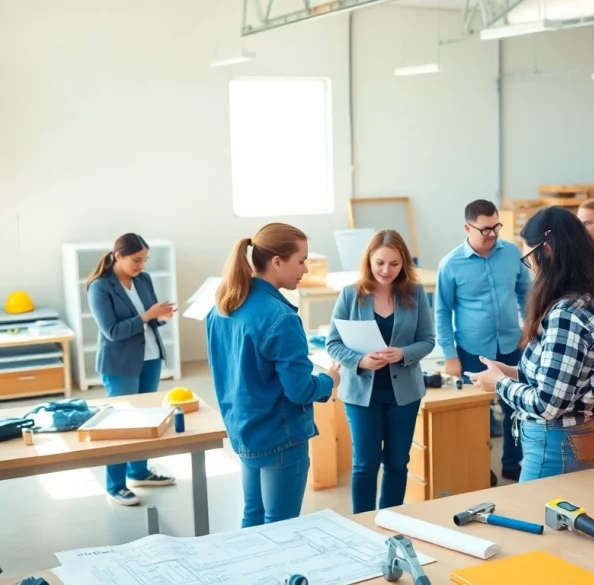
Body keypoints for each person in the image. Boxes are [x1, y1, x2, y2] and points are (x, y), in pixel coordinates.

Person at [471, 206, 594, 482]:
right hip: (582, 434)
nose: (532, 269)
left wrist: (499, 383)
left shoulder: (567, 314)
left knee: (535, 509)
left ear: (548, 251)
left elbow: (547, 404)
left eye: (530, 259)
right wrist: (510, 372)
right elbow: (566, 379)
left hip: (557, 443)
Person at [206, 223, 340, 527]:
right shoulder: (281, 317)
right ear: (277, 261)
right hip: (280, 436)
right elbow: (299, 390)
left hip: (244, 431)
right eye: (301, 261)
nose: (305, 269)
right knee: (282, 526)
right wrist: (329, 381)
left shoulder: (223, 306)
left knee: (252, 518)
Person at [326, 230, 435, 514]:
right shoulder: (350, 294)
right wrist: (360, 361)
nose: (386, 270)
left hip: (404, 395)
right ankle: (362, 522)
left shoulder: (415, 293)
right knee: (365, 464)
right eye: (380, 263)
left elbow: (427, 340)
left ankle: (391, 518)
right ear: (369, 261)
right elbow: (333, 343)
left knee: (397, 463)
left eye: (394, 264)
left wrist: (403, 353)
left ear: (404, 264)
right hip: (362, 395)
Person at [436, 199, 531, 485]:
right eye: (485, 229)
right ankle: (479, 467)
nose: (492, 234)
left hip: (512, 346)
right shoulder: (450, 264)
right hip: (472, 350)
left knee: (516, 408)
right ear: (468, 228)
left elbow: (526, 293)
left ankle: (512, 463)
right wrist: (450, 355)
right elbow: (442, 311)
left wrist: (529, 329)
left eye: (496, 227)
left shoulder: (512, 253)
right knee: (477, 412)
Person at [86, 233, 177, 507]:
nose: (141, 265)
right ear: (118, 256)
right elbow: (112, 331)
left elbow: (151, 320)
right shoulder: (100, 287)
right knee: (121, 424)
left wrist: (161, 317)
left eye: (145, 260)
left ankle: (138, 472)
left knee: (146, 418)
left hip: (150, 358)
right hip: (119, 364)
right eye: (136, 260)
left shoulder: (143, 279)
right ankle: (115, 486)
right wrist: (148, 316)